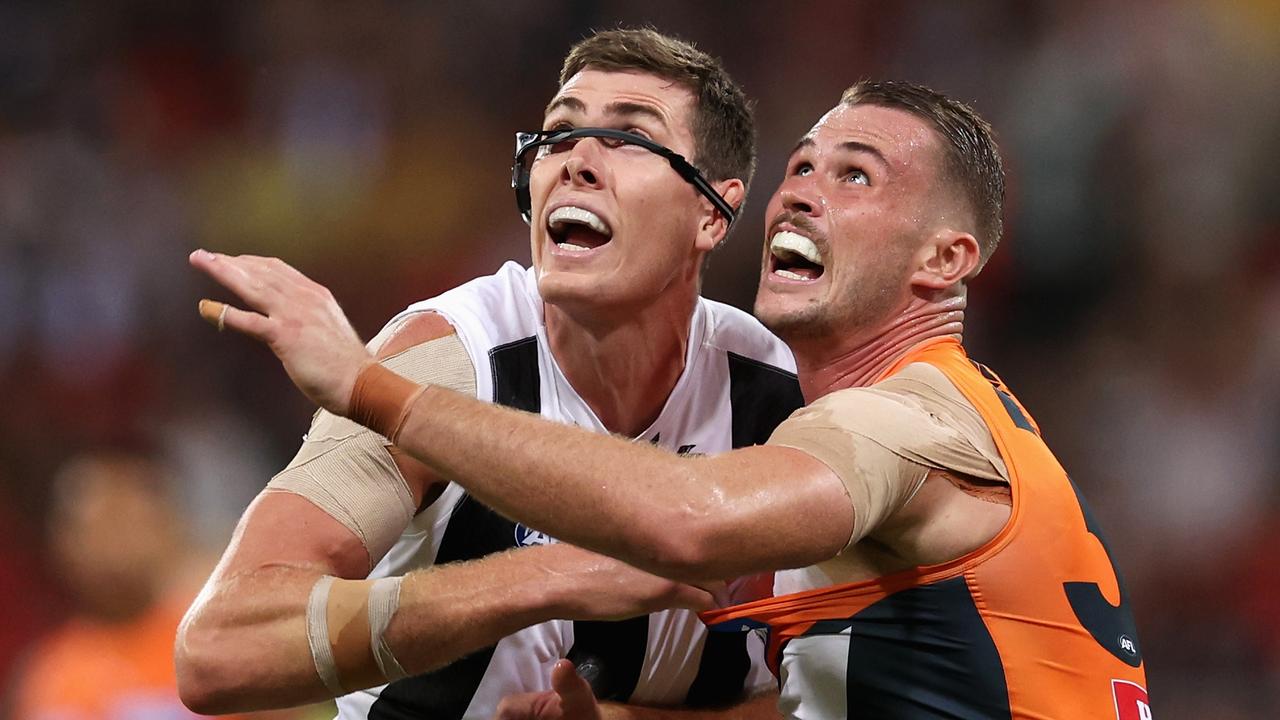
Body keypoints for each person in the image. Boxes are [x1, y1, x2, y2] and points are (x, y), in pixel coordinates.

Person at [192, 79, 1154, 718]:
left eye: (855, 174)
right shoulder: (889, 425)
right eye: (802, 167)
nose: (803, 193)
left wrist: (371, 388)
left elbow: (689, 521)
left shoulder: (900, 420)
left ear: (947, 260)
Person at [175, 28, 797, 720]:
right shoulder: (450, 356)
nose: (576, 160)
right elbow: (217, 652)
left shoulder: (779, 397)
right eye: (558, 134)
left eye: (629, 138)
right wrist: (548, 575)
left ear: (713, 211)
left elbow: (828, 690)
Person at [12, 452, 304, 720]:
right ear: (63, 543)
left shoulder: (224, 646)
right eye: (96, 527)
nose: (114, 547)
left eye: (129, 523)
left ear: (170, 529)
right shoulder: (46, 676)